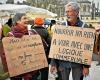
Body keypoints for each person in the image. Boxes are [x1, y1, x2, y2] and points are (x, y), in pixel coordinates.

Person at [50, 2, 90, 80]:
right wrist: (53, 63)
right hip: (62, 63)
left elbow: (88, 50)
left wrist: (86, 67)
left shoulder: (85, 27)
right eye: (66, 12)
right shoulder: (61, 26)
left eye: (69, 11)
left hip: (78, 65)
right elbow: (55, 46)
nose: (66, 14)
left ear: (76, 12)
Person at [7, 13, 39, 80]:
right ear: (17, 21)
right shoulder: (10, 35)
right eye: (24, 18)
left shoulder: (32, 33)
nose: (27, 20)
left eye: (27, 18)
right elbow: (6, 55)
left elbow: (40, 48)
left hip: (32, 71)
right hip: (17, 74)